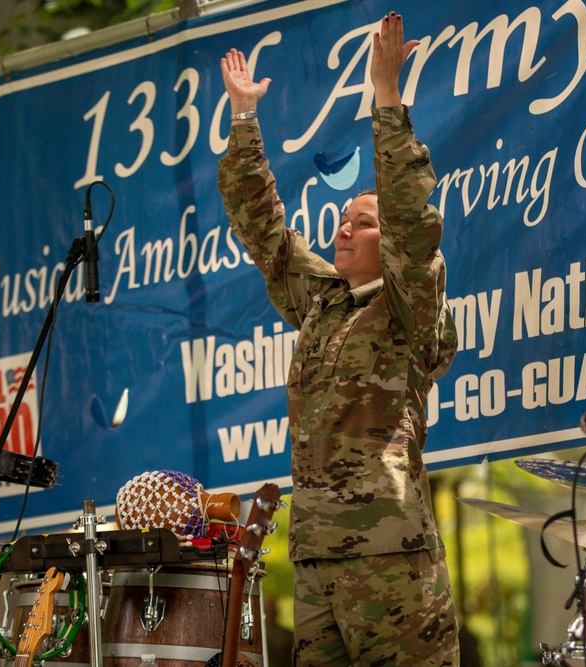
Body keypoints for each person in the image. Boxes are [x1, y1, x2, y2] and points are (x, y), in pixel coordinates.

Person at [216, 11, 460, 667]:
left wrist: (386, 93)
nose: (344, 230)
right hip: (318, 556)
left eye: (363, 223)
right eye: (343, 219)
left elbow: (413, 220)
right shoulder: (323, 300)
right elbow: (265, 234)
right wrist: (244, 123)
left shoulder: (410, 304)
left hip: (388, 558)